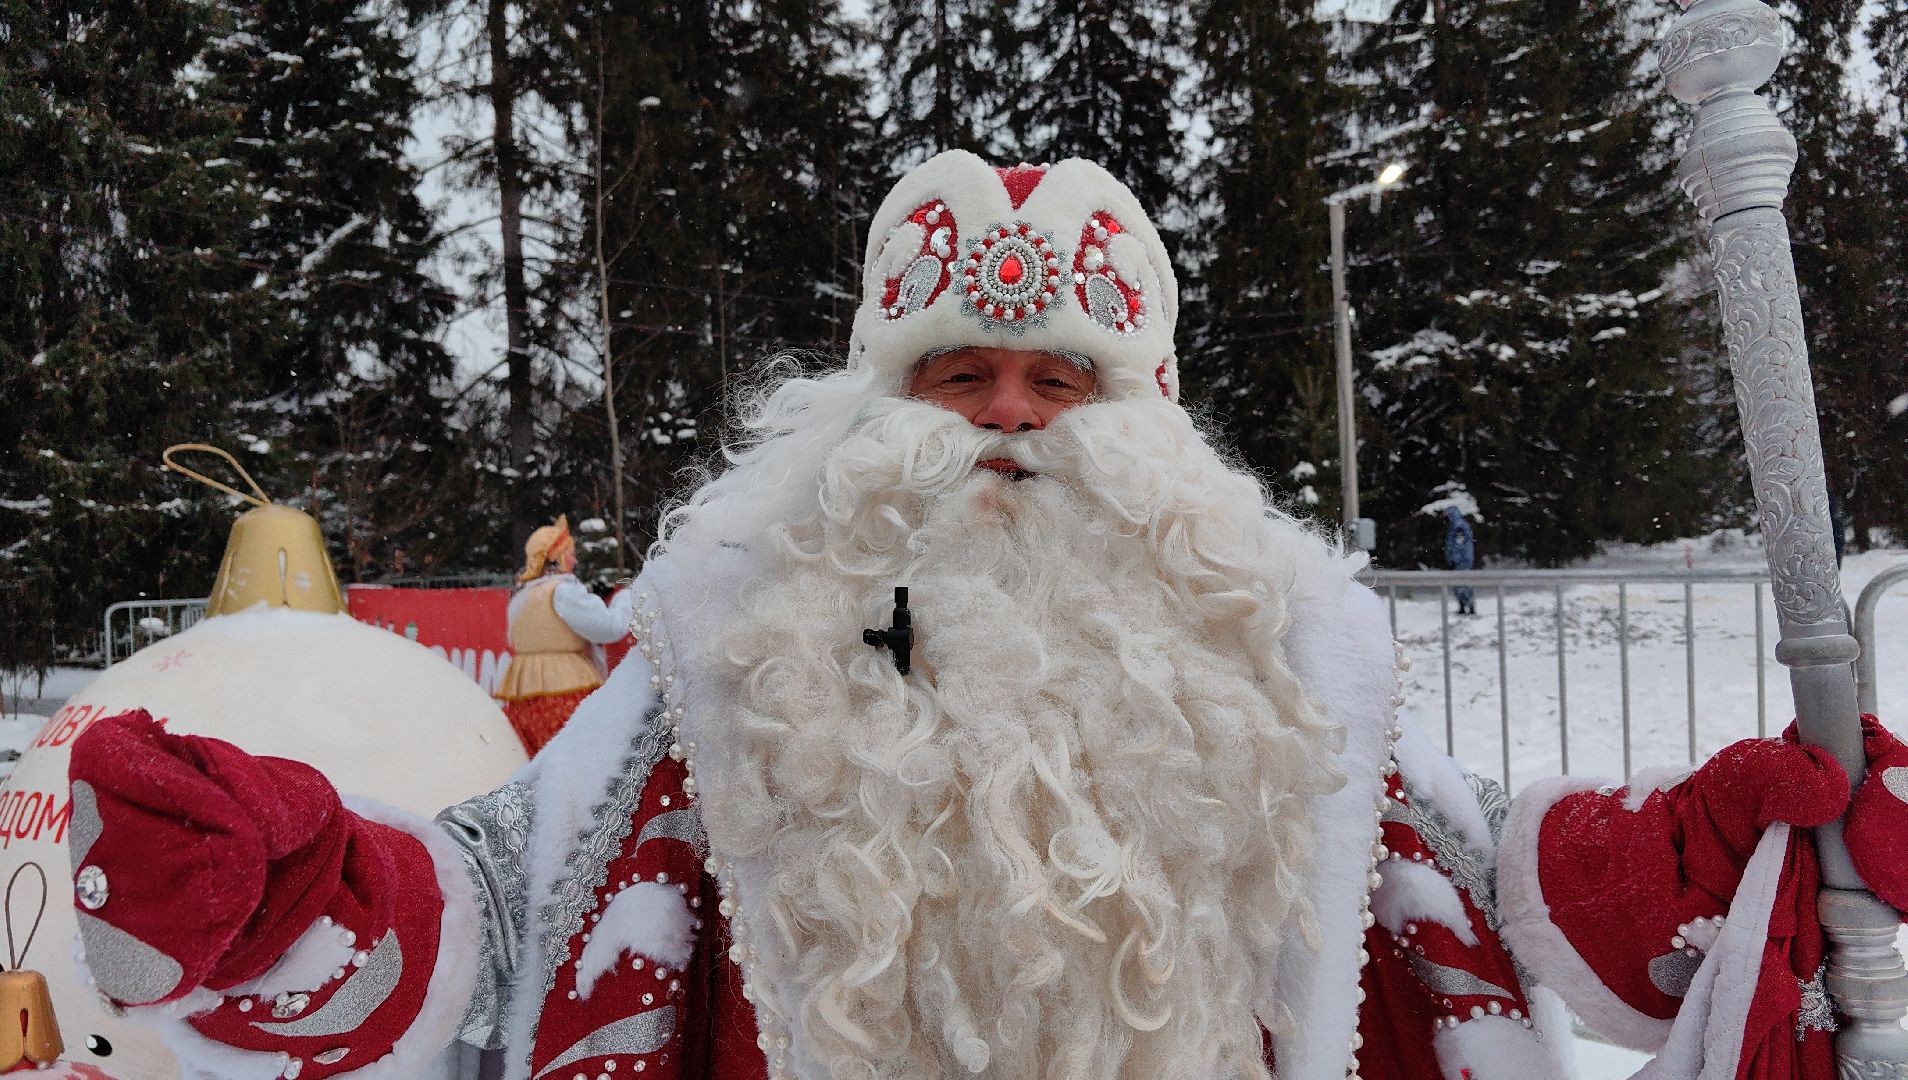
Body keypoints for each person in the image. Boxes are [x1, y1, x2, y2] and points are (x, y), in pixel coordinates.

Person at [58, 153, 1908, 1080]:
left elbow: (1466, 886)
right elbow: (497, 908)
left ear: (1149, 419)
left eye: (1061, 375)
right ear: (874, 402)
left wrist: (1694, 855)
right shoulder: (732, 662)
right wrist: (297, 880)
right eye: (958, 372)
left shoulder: (1275, 663)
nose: (1013, 415)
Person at [496, 515, 636, 754]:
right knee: (577, 758)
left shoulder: (523, 594)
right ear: (556, 556)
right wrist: (627, 597)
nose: (573, 559)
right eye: (568, 552)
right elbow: (609, 628)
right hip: (565, 688)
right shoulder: (563, 591)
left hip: (524, 697)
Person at [1442, 505, 1477, 615]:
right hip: (1463, 560)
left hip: (1461, 561)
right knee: (1462, 583)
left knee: (1462, 583)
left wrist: (1454, 559)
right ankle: (1465, 605)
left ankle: (1467, 606)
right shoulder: (1457, 525)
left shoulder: (1458, 526)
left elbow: (1459, 544)